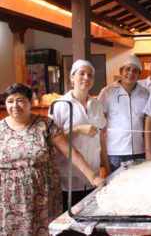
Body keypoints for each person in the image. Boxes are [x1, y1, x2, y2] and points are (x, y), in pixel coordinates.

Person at [0, 83, 104, 235]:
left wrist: (93, 176)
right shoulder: (1, 128)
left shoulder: (45, 125)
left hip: (42, 194)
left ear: (30, 102)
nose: (15, 105)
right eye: (10, 101)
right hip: (8, 196)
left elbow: (70, 152)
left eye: (21, 100)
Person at [49, 59, 111, 211]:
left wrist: (108, 168)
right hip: (68, 177)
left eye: (90, 75)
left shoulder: (96, 105)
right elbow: (53, 140)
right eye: (81, 74)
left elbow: (101, 138)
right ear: (72, 77)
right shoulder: (60, 105)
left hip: (94, 175)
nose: (86, 78)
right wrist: (77, 129)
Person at [98, 55, 149, 171]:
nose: (130, 73)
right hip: (115, 152)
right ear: (121, 71)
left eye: (135, 70)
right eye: (127, 69)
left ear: (139, 74)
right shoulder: (107, 92)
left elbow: (148, 122)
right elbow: (99, 122)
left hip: (139, 150)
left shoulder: (145, 94)